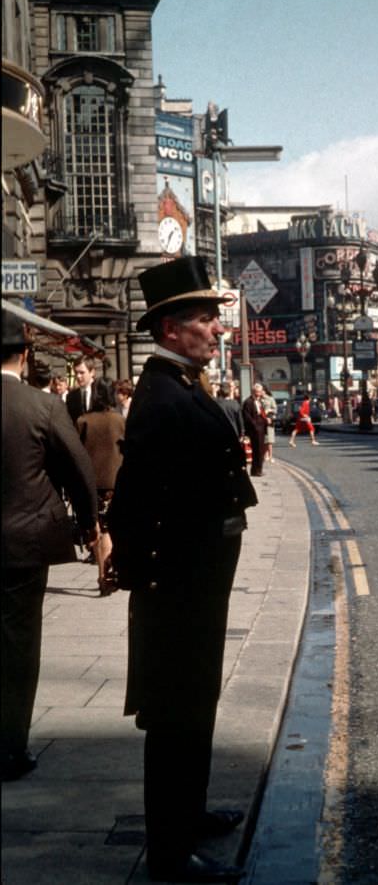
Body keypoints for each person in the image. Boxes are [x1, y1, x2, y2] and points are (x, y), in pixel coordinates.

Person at [108, 256, 256, 883]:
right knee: (174, 717)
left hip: (196, 581)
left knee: (196, 705)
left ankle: (188, 816)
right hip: (178, 585)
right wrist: (146, 577)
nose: (217, 331)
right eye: (205, 320)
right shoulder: (163, 397)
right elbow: (138, 501)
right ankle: (169, 854)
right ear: (170, 329)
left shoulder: (184, 385)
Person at [1, 308, 98, 782]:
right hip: (23, 545)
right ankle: (10, 749)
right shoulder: (42, 407)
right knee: (18, 646)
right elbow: (77, 470)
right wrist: (90, 523)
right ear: (23, 356)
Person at [77, 377, 125, 596]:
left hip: (91, 482)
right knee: (111, 528)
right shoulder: (119, 420)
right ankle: (109, 572)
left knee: (97, 527)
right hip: (116, 481)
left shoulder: (84, 421)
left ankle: (102, 574)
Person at [242, 382, 269, 477]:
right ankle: (256, 470)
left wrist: (266, 420)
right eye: (259, 391)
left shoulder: (259, 401)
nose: (261, 393)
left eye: (261, 391)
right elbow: (247, 417)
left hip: (261, 429)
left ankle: (258, 469)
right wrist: (255, 426)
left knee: (260, 450)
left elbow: (261, 414)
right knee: (257, 450)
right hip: (255, 430)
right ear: (254, 392)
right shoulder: (248, 402)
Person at [66, 356, 96, 423]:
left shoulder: (100, 392)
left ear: (92, 372)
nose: (78, 376)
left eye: (82, 372)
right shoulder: (71, 397)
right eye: (76, 373)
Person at [261, 384, 277, 462]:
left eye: (262, 391)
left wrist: (269, 410)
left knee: (270, 440)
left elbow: (275, 409)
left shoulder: (270, 399)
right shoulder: (259, 399)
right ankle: (265, 455)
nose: (261, 392)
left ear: (265, 391)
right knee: (264, 440)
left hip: (269, 420)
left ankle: (270, 456)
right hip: (261, 421)